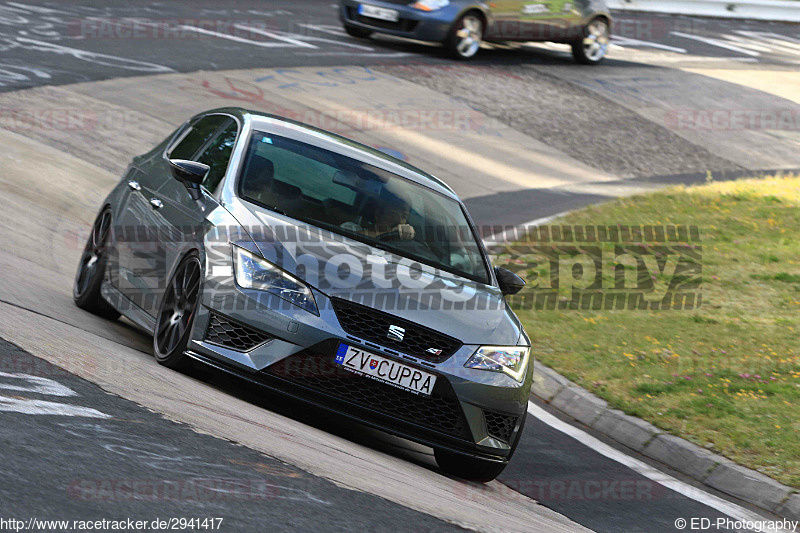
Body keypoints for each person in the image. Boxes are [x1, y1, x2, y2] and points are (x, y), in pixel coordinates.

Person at [341, 193, 416, 240]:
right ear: (378, 213)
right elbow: (354, 237)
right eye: (393, 214)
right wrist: (392, 234)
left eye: (404, 216)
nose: (399, 221)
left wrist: (408, 235)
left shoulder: (401, 241)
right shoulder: (350, 227)